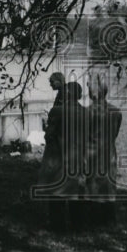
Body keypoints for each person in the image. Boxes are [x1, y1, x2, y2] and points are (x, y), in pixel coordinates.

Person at [37, 81, 87, 232]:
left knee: (57, 192)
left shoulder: (57, 111)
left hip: (60, 156)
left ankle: (57, 226)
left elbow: (49, 135)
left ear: (68, 94)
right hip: (78, 157)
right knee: (76, 193)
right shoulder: (86, 112)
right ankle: (77, 225)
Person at [83, 71, 122, 226]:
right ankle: (109, 218)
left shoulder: (87, 112)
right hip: (109, 152)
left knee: (93, 185)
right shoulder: (116, 112)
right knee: (108, 185)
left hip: (92, 153)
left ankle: (94, 219)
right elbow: (115, 133)